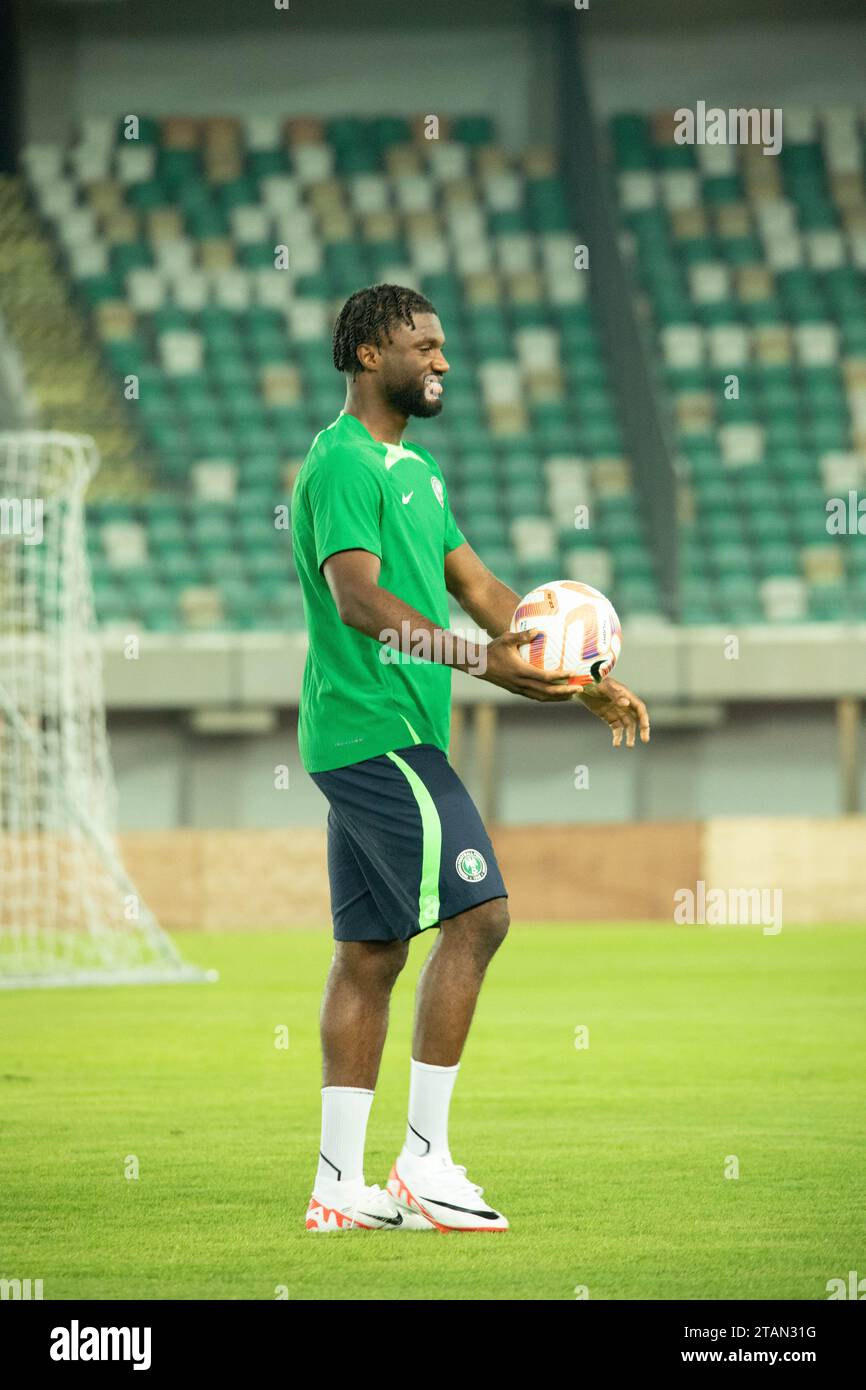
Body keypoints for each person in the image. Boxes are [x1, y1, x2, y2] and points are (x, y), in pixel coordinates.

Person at [291, 284, 651, 1232]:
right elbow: (360, 604)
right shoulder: (340, 465)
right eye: (426, 344)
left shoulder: (418, 472)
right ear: (371, 355)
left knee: (370, 954)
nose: (443, 361)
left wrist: (581, 679)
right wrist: (490, 667)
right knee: (481, 915)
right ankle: (424, 1162)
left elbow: (483, 586)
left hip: (389, 733)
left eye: (444, 345)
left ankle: (338, 1188)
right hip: (374, 731)